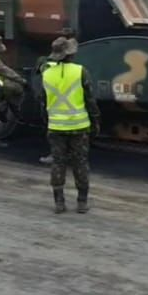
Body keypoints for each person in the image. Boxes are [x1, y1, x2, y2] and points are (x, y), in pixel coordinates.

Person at [41, 37, 100, 214]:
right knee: (80, 163)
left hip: (56, 126)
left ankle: (59, 203)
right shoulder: (80, 71)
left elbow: (44, 101)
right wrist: (96, 120)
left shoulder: (46, 73)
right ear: (71, 54)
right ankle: (82, 202)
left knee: (58, 163)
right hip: (79, 125)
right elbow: (90, 100)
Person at [35, 27, 75, 165]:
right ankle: (68, 154)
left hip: (52, 104)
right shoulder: (75, 68)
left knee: (54, 132)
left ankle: (56, 155)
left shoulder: (46, 66)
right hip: (70, 104)